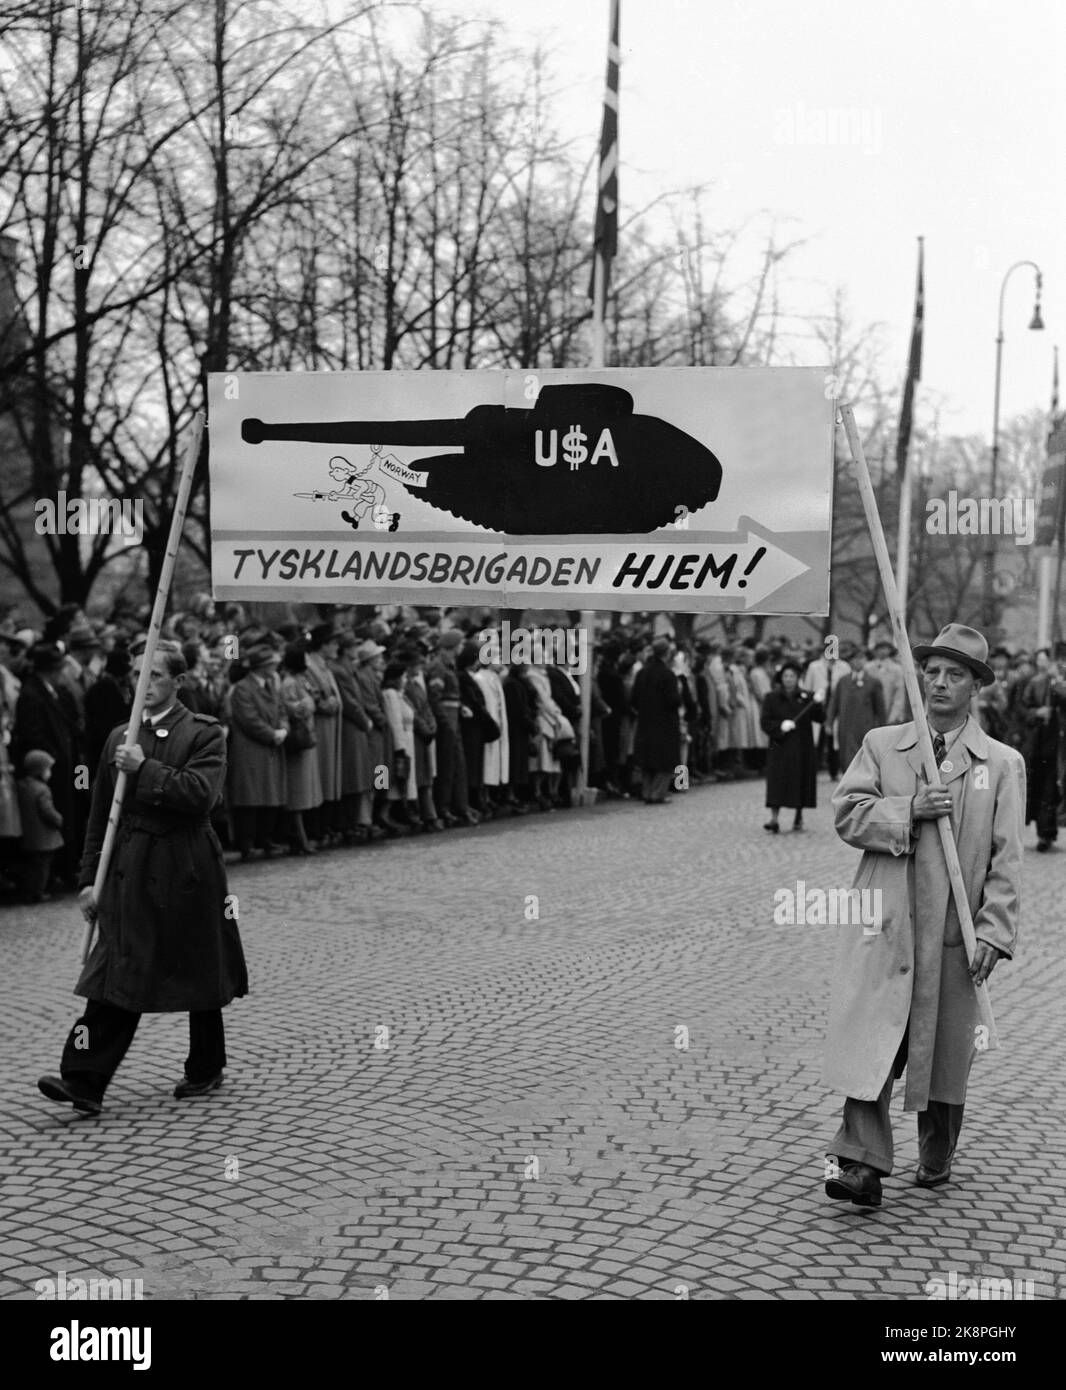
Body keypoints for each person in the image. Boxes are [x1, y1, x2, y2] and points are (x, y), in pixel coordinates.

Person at [823, 624, 1023, 1208]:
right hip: (886, 924)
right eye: (932, 671)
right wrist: (905, 810)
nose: (939, 683)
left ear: (976, 687)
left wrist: (994, 930)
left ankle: (937, 1150)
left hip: (954, 933)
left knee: (943, 1047)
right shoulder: (884, 746)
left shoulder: (1001, 765)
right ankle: (861, 1162)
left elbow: (1008, 859)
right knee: (873, 1041)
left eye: (954, 674)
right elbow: (847, 816)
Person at [36, 641, 248, 1115]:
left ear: (178, 681)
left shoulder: (203, 733)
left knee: (198, 966)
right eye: (137, 674)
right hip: (130, 868)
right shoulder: (117, 737)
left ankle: (206, 1064)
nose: (143, 684)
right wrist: (91, 879)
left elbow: (202, 796)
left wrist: (145, 768)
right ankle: (84, 1080)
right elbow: (100, 818)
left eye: (153, 675)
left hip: (186, 865)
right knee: (116, 968)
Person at [227, 644, 289, 860]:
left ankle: (265, 837)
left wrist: (283, 729)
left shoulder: (270, 685)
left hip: (269, 747)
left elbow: (281, 710)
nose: (275, 666)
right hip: (251, 749)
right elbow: (248, 719)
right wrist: (272, 734)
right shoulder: (243, 688)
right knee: (250, 797)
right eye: (271, 663)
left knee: (268, 794)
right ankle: (247, 842)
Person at [760, 661, 823, 832]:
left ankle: (799, 816)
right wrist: (780, 726)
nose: (789, 679)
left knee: (800, 780)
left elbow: (819, 717)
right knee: (777, 782)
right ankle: (774, 818)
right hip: (780, 746)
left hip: (802, 747)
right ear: (781, 678)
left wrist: (818, 703)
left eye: (792, 676)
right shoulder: (771, 698)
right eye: (786, 676)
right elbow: (765, 722)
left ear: (797, 678)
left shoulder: (806, 697)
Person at [279, 641, 322, 854]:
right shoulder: (289, 683)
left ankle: (302, 834)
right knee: (297, 791)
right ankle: (299, 836)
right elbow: (294, 709)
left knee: (304, 789)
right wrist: (309, 704)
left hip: (306, 736)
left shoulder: (299, 680)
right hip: (297, 738)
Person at [630, 636, 681, 805]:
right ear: (666, 653)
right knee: (664, 761)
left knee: (647, 761)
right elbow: (673, 701)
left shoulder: (641, 673)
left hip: (645, 721)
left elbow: (634, 699)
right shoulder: (668, 674)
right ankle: (658, 793)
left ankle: (647, 791)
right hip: (665, 723)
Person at [826, 644, 886, 772]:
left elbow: (880, 709)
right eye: (855, 658)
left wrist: (883, 727)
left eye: (861, 658)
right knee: (847, 758)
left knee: (864, 758)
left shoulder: (873, 682)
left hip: (865, 727)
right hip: (846, 727)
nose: (858, 661)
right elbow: (834, 703)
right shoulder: (843, 681)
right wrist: (829, 723)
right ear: (850, 661)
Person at [17, 749, 62, 902]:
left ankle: (30, 890)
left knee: (31, 866)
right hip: (43, 838)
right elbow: (47, 811)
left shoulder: (22, 786)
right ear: (40, 771)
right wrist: (59, 819)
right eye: (48, 769)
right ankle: (39, 891)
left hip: (28, 836)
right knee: (42, 867)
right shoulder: (42, 790)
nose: (50, 772)